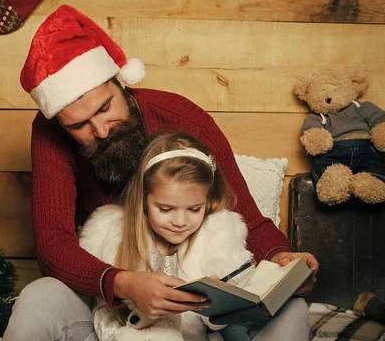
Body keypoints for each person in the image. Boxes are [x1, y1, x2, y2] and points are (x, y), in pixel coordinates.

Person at [1, 5, 318, 341]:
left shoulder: (183, 118)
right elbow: (53, 243)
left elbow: (247, 217)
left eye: (105, 108)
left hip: (199, 316)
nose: (101, 130)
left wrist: (282, 260)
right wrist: (121, 283)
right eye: (78, 125)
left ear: (120, 80)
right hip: (113, 304)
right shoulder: (50, 132)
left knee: (293, 309)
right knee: (38, 296)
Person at [79, 131, 278, 340]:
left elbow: (233, 316)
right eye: (165, 209)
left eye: (194, 209)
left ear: (207, 200)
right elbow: (101, 313)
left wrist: (221, 300)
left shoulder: (218, 236)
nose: (180, 222)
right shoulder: (111, 236)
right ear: (143, 199)